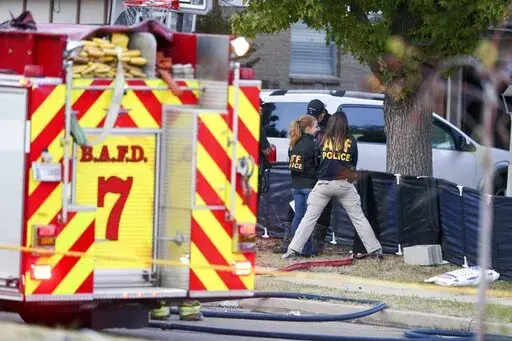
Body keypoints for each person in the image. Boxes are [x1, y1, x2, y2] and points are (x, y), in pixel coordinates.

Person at [283, 111, 383, 259]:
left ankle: (293, 250)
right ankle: (375, 250)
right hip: (344, 184)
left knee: (308, 218)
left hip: (324, 184)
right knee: (359, 218)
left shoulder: (321, 138)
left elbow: (317, 161)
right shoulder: (351, 140)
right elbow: (353, 164)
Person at [288, 115, 319, 256]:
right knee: (307, 220)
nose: (317, 129)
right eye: (315, 126)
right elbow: (317, 164)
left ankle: (295, 247)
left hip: (296, 186)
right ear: (308, 128)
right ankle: (306, 249)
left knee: (298, 217)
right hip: (309, 185)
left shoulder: (293, 143)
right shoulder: (313, 144)